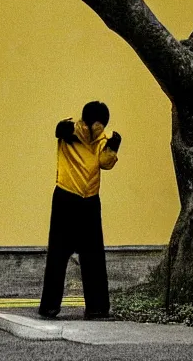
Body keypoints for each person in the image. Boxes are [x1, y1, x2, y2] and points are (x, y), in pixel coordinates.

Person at [39, 101, 122, 320]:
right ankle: (49, 306)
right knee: (58, 254)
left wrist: (113, 147)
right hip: (66, 196)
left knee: (93, 256)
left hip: (90, 201)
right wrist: (80, 132)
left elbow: (105, 163)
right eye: (98, 124)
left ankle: (97, 308)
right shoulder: (69, 130)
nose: (99, 129)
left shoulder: (102, 140)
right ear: (89, 121)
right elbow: (60, 130)